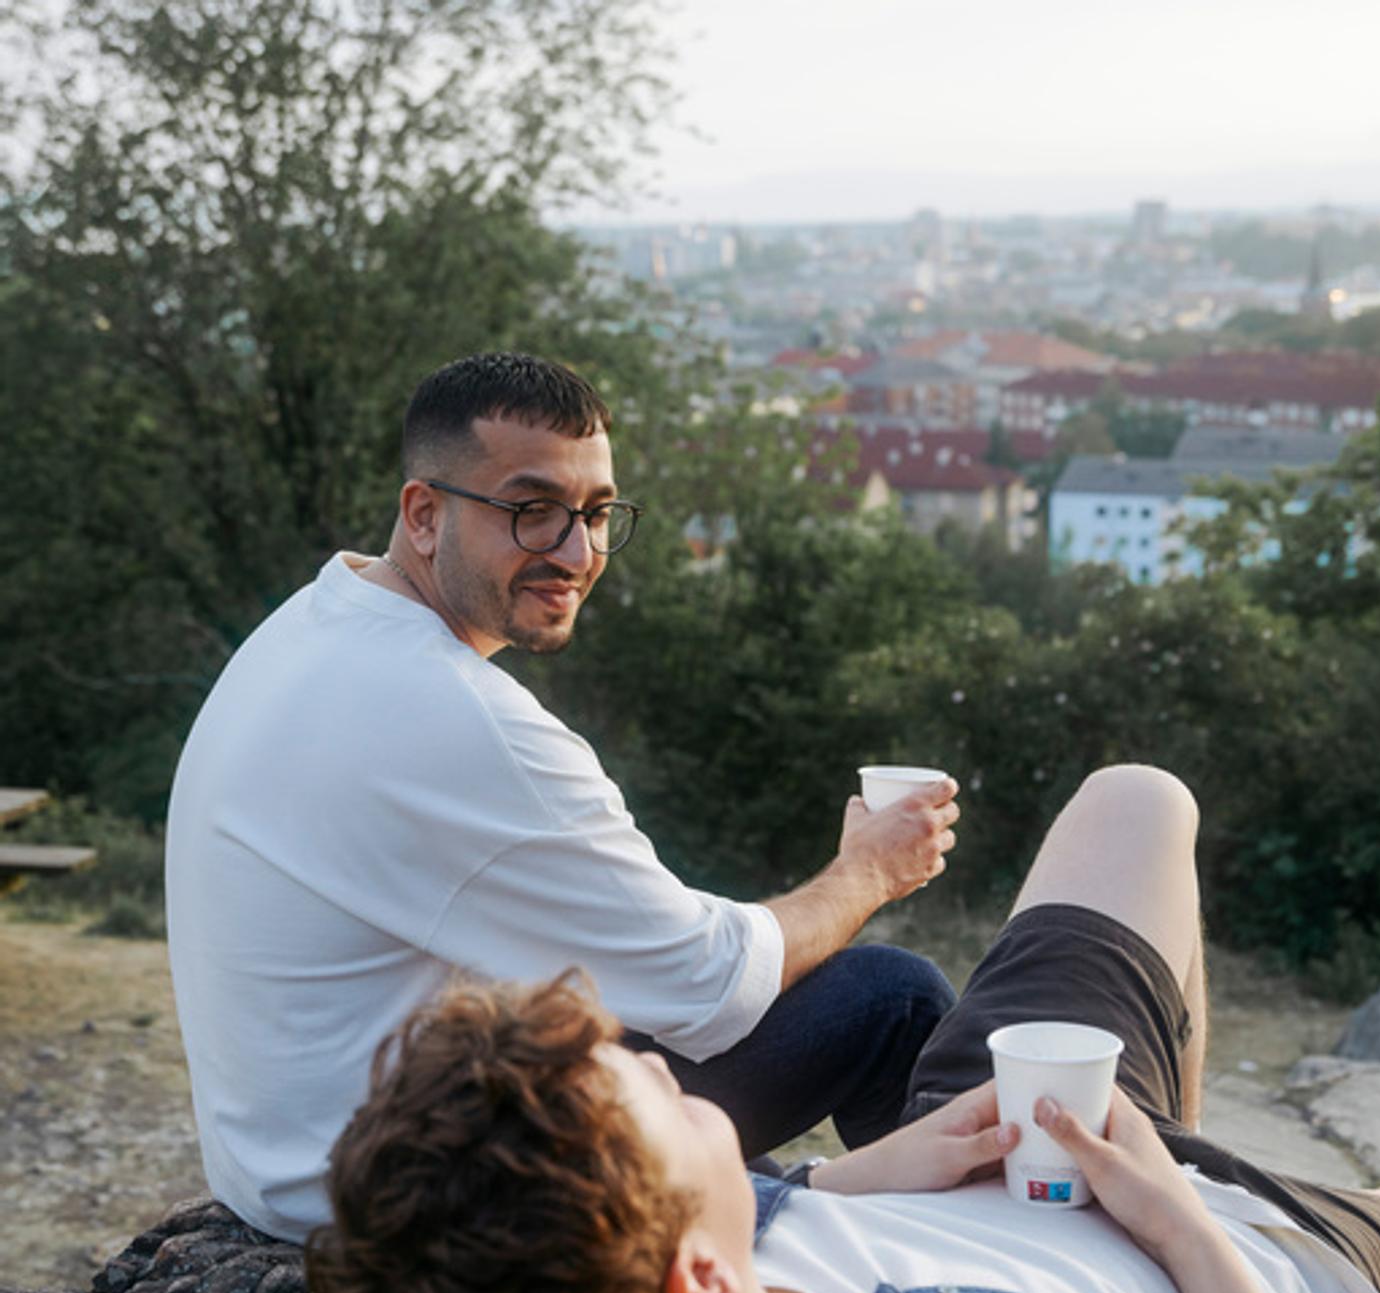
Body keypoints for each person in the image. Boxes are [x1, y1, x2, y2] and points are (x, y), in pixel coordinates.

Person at [307, 765, 1380, 1293]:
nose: (662, 1070)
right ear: (697, 1275)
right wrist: (1180, 1228)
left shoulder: (672, 1275)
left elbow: (727, 1208)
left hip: (989, 1146)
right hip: (1276, 1278)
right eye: (658, 1099)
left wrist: (859, 1174)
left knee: (1137, 804)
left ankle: (1176, 1145)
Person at [165, 350, 958, 1242]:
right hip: (404, 1196)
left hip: (298, 1154)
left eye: (595, 514)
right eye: (532, 512)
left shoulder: (315, 620)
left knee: (683, 1101)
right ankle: (949, 1271)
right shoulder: (456, 715)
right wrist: (868, 872)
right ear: (424, 515)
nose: (576, 553)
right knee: (890, 998)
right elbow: (708, 985)